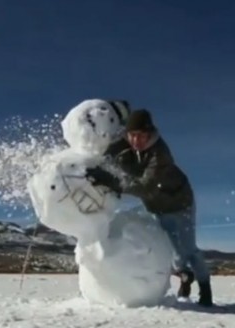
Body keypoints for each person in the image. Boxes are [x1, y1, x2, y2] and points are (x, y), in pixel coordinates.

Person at [85, 109, 213, 306]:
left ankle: (205, 286)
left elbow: (145, 186)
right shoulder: (125, 142)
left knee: (187, 249)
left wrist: (112, 182)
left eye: (142, 136)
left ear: (150, 134)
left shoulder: (160, 154)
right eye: (133, 135)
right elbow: (106, 150)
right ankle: (185, 276)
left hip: (179, 204)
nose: (137, 140)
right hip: (156, 205)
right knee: (168, 248)